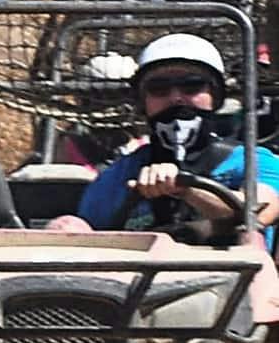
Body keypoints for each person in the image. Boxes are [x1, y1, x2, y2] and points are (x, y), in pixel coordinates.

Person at [78, 34, 279, 241]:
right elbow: (88, 236)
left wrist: (186, 188)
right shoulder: (119, 176)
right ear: (142, 101)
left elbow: (261, 212)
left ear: (215, 96)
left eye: (192, 85)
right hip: (140, 271)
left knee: (251, 237)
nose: (176, 98)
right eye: (159, 89)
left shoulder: (255, 162)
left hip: (233, 271)